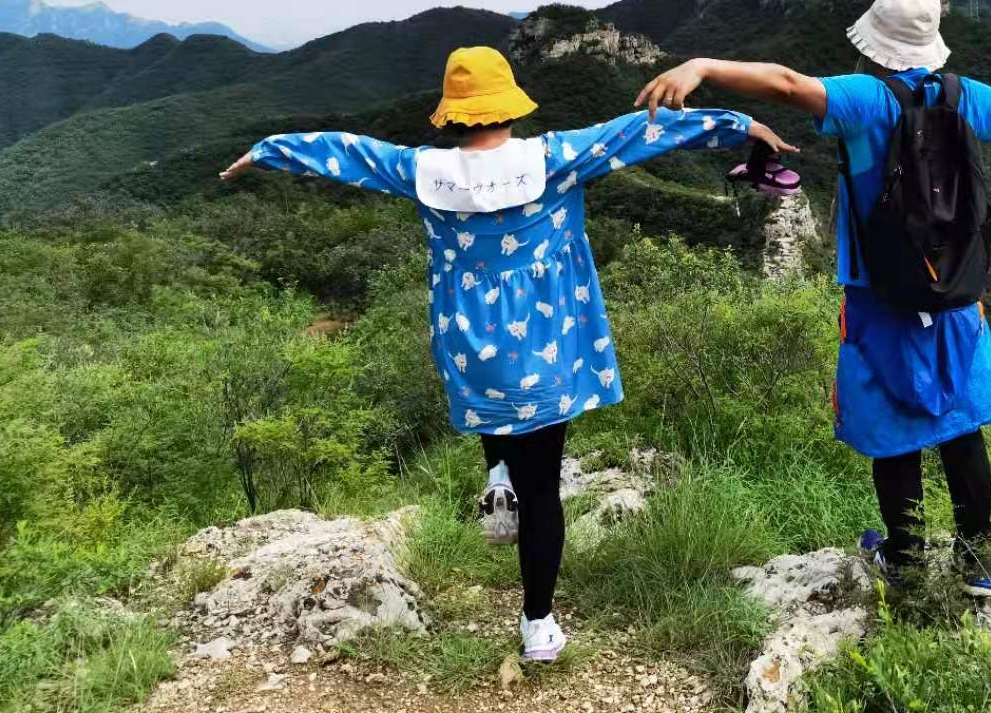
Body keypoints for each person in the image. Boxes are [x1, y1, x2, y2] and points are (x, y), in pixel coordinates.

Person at [220, 45, 793, 660]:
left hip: (467, 337)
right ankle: (538, 622)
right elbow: (641, 133)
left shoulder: (421, 171)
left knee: (496, 407)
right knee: (543, 486)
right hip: (544, 340)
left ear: (454, 115)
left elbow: (348, 151)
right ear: (510, 107)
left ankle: (496, 476)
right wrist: (741, 126)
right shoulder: (554, 160)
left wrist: (269, 149)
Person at [634, 0, 991, 595]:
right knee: (962, 430)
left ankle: (904, 561)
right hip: (957, 294)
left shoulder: (866, 99)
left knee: (894, 432)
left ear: (874, 44)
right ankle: (976, 565)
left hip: (879, 296)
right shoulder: (965, 98)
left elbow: (788, 84)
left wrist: (704, 65)